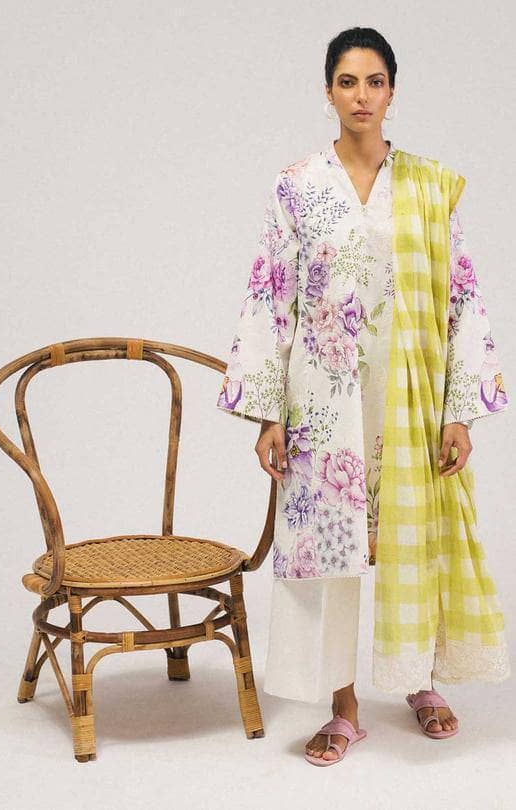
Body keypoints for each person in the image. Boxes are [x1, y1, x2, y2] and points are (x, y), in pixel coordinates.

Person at [216, 26, 510, 765]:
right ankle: (344, 707)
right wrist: (267, 414)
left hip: (410, 394)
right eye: (347, 82)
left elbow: (462, 296)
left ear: (392, 92)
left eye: (374, 82)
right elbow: (271, 295)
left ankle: (420, 682)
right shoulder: (297, 186)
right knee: (335, 554)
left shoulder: (427, 186)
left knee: (417, 543)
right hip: (324, 401)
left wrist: (459, 410)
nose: (361, 96)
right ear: (328, 91)